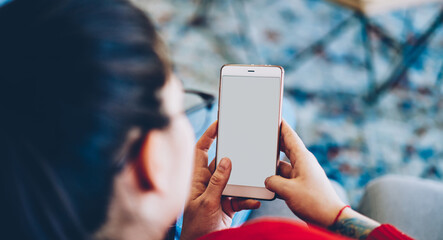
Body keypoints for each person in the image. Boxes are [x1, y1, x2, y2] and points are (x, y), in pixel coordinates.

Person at [0, 0, 416, 239]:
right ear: (151, 162)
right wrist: (337, 214)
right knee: (279, 111)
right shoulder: (270, 237)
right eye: (178, 105)